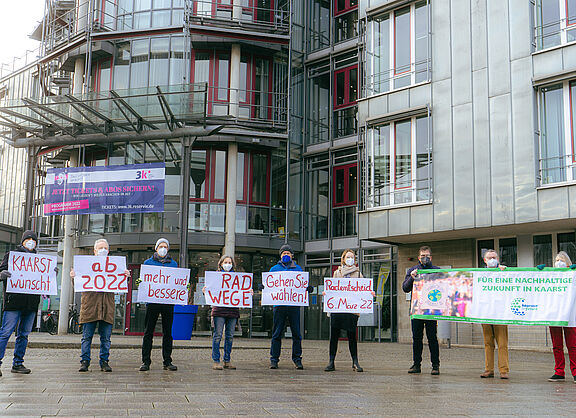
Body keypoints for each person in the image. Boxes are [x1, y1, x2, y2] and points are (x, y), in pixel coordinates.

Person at [70, 238, 131, 372]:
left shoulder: (114, 267)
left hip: (106, 308)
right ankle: (85, 361)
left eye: (105, 248)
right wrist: (74, 277)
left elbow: (120, 287)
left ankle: (104, 362)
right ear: (95, 251)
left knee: (106, 339)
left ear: (108, 251)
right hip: (90, 307)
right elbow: (78, 286)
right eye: (100, 248)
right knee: (86, 337)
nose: (103, 250)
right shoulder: (86, 265)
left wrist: (125, 277)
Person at [0, 231, 54, 376]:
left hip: (30, 305)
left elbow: (44, 281)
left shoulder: (39, 261)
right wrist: (2, 274)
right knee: (5, 333)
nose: (31, 241)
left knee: (23, 334)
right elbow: (1, 271)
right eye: (28, 239)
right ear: (23, 241)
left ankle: (18, 363)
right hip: (13, 303)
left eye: (33, 239)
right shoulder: (12, 256)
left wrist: (51, 272)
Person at [323, 249, 375, 373]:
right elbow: (332, 289)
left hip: (351, 310)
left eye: (352, 257)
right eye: (348, 257)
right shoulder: (337, 273)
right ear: (343, 259)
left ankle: (355, 362)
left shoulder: (358, 274)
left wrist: (370, 293)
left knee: (352, 336)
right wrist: (327, 292)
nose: (350, 259)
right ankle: (331, 361)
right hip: (338, 309)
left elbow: (363, 290)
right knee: (334, 336)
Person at [203, 255, 252, 370]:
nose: (228, 264)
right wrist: (206, 291)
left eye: (230, 262)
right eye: (225, 262)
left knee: (229, 336)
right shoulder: (215, 277)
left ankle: (227, 360)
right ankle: (216, 361)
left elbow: (242, 291)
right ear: (221, 264)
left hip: (232, 311)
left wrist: (248, 292)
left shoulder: (238, 279)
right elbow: (211, 293)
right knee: (218, 336)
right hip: (219, 310)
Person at [267, 244, 311, 370]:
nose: (286, 255)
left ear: (292, 255)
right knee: (277, 333)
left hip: (293, 306)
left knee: (296, 333)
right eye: (283, 253)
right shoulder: (274, 269)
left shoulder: (298, 269)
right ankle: (274, 359)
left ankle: (297, 359)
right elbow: (269, 285)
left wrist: (308, 288)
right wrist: (263, 288)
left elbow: (303, 285)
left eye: (288, 253)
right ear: (280, 255)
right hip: (279, 305)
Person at [139, 238, 178, 372]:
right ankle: (146, 361)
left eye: (165, 247)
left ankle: (167, 361)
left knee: (168, 333)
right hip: (153, 302)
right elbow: (143, 280)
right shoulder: (148, 263)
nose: (163, 249)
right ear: (156, 248)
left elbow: (177, 281)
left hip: (168, 302)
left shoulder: (173, 264)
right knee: (148, 332)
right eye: (160, 246)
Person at [402, 245, 441, 375]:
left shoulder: (437, 270)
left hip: (431, 310)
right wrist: (411, 278)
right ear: (419, 257)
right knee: (417, 338)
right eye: (422, 256)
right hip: (417, 310)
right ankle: (416, 365)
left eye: (427, 256)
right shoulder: (413, 270)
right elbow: (405, 288)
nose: (425, 258)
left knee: (432, 338)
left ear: (431, 257)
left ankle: (435, 365)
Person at [541, 251, 576, 383]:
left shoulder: (573, 274)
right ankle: (559, 372)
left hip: (571, 314)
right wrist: (540, 272)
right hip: (555, 314)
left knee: (573, 345)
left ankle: (575, 371)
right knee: (557, 345)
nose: (558, 263)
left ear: (568, 263)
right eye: (556, 260)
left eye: (561, 260)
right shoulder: (550, 276)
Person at [480, 249, 509, 379]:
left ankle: (504, 370)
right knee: (488, 342)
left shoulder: (504, 272)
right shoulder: (480, 274)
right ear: (485, 260)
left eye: (494, 257)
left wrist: (505, 272)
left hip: (500, 313)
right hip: (485, 312)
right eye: (489, 257)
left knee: (502, 343)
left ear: (498, 259)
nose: (492, 259)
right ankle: (488, 369)